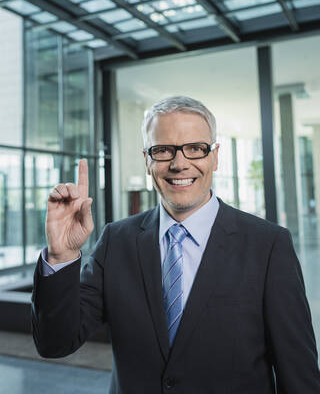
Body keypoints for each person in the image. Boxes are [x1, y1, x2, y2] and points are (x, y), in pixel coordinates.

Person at [32, 96, 320, 394]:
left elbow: (299, 376)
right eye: (163, 150)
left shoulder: (268, 245)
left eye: (195, 148)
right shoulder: (116, 241)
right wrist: (61, 254)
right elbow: (55, 343)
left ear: (215, 156)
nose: (179, 164)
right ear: (147, 160)